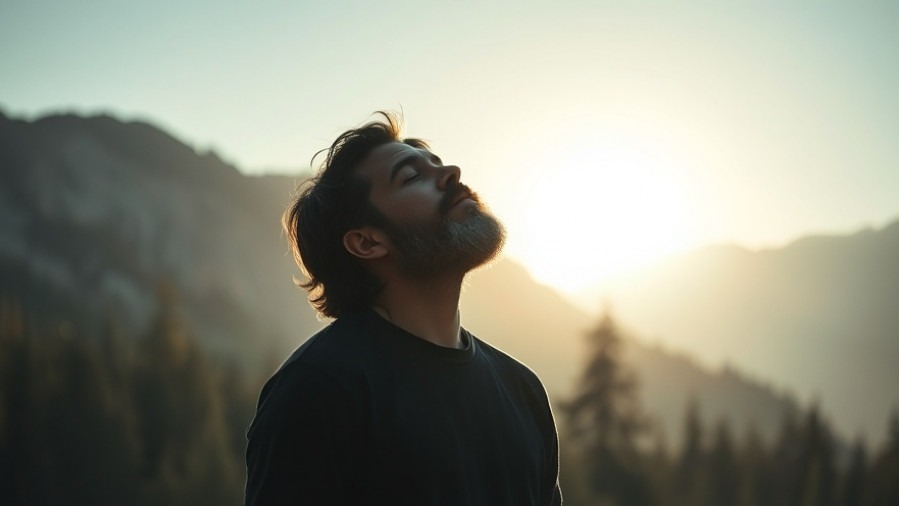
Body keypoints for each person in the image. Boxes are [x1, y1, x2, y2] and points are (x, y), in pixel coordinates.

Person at [245, 112, 562, 505]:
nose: (451, 172)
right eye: (412, 177)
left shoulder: (522, 390)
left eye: (438, 163)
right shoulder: (320, 389)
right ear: (366, 243)